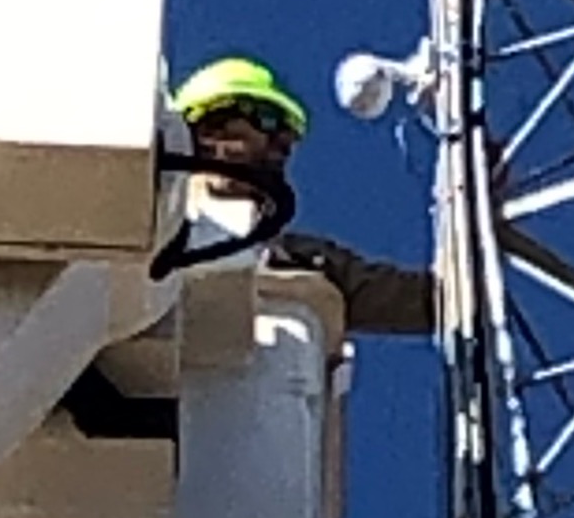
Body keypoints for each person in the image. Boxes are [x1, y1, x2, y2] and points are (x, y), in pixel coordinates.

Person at [172, 57, 435, 338]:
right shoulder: (142, 231)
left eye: (285, 142)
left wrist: (481, 164)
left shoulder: (307, 263)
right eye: (267, 123)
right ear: (203, 135)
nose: (280, 150)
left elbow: (431, 301)